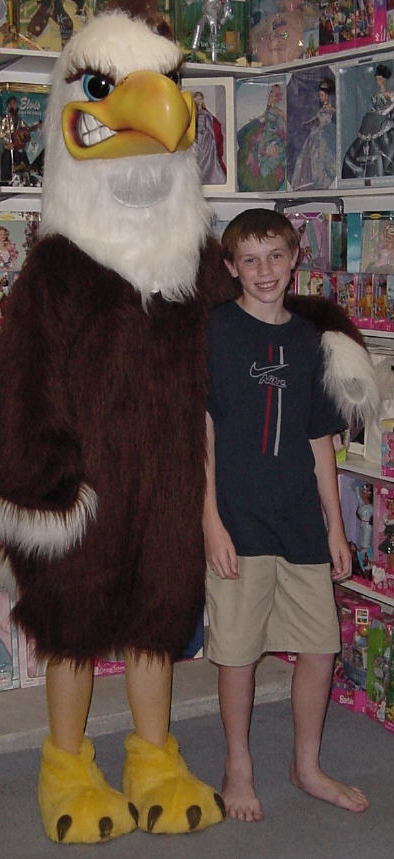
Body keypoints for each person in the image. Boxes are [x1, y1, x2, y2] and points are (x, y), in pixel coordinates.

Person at [203, 208, 370, 822]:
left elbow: (318, 437)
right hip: (238, 519)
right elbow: (202, 432)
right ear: (231, 268)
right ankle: (238, 765)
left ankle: (307, 765)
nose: (265, 270)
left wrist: (336, 526)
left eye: (275, 255)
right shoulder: (216, 331)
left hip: (300, 519)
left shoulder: (308, 340)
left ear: (296, 257)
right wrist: (210, 522)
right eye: (250, 259)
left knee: (321, 647)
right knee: (237, 651)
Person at [342, 63, 394, 180]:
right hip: (373, 120)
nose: (378, 82)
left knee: (384, 143)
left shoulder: (389, 94)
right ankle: (367, 167)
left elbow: (391, 105)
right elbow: (374, 107)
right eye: (377, 79)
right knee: (366, 142)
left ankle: (381, 167)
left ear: (384, 80)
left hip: (382, 120)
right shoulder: (376, 94)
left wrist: (383, 112)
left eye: (380, 79)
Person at [237, 83, 286, 192]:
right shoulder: (268, 109)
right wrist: (256, 121)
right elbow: (263, 117)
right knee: (249, 145)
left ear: (278, 97)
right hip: (264, 131)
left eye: (275, 94)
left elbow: (284, 118)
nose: (272, 96)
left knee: (264, 153)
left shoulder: (277, 110)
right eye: (271, 93)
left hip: (272, 134)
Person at [290, 77, 336, 191]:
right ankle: (315, 179)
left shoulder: (330, 109)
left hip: (325, 133)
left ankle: (323, 179)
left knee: (323, 155)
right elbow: (315, 118)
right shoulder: (322, 109)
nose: (320, 98)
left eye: (322, 95)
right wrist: (306, 123)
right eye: (320, 95)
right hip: (317, 133)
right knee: (311, 156)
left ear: (327, 96)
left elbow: (330, 118)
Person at [193, 90, 227, 185]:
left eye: (200, 99)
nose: (199, 101)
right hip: (196, 139)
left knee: (207, 159)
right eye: (197, 99)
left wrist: (212, 136)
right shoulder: (192, 113)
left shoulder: (206, 113)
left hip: (206, 139)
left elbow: (213, 125)